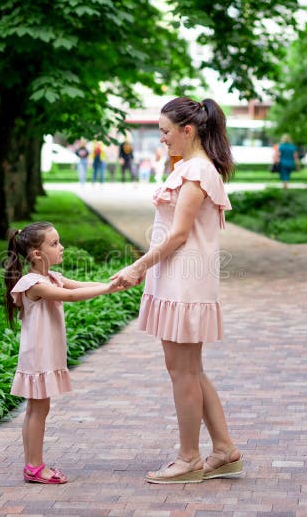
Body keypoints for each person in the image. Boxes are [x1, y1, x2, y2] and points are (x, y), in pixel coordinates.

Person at [111, 96, 243, 484]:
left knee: (182, 371)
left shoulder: (198, 171)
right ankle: (224, 451)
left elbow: (179, 234)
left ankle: (189, 459)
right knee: (189, 369)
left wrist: (137, 266)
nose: (162, 139)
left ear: (188, 130)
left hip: (185, 281)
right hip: (179, 279)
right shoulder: (192, 168)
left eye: (166, 132)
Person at [5, 222, 121, 484]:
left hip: (45, 355)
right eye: (54, 243)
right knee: (38, 409)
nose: (62, 247)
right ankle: (34, 467)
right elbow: (71, 296)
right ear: (37, 254)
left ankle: (32, 465)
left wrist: (112, 284)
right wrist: (108, 288)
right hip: (38, 357)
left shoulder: (51, 277)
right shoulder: (33, 283)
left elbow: (79, 285)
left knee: (37, 409)